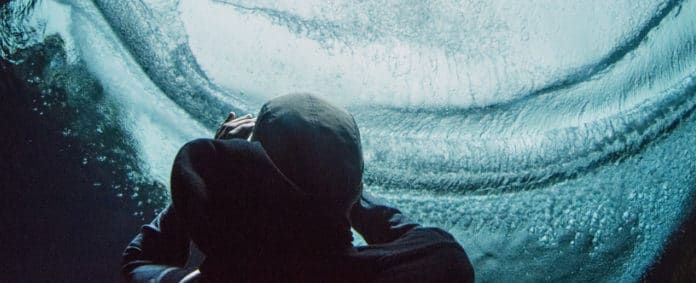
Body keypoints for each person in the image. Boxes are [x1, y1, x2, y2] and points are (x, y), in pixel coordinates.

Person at [121, 93, 474, 282]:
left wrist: (225, 165)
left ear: (246, 173)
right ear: (354, 186)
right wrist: (339, 176)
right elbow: (392, 224)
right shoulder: (439, 264)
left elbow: (140, 262)